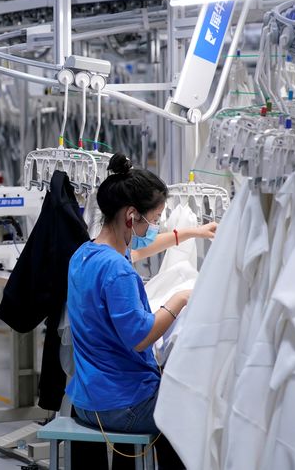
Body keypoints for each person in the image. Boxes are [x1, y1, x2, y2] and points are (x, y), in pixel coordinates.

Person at [66, 153, 216, 469]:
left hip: (85, 400)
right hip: (122, 407)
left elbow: (141, 250)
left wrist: (193, 233)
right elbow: (141, 337)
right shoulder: (117, 271)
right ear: (132, 216)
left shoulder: (85, 255)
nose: (156, 225)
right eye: (156, 218)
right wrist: (182, 298)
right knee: (197, 412)